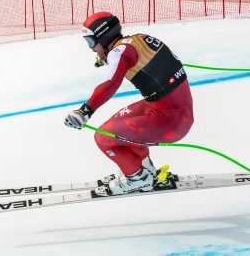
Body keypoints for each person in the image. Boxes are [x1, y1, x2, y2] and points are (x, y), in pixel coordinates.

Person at [64, 11, 194, 195]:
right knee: (112, 128)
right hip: (168, 112)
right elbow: (135, 58)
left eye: (91, 42)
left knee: (103, 138)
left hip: (170, 122)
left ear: (103, 36)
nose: (92, 49)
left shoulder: (120, 53)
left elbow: (110, 84)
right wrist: (109, 58)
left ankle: (138, 179)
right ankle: (142, 169)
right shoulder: (138, 39)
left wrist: (85, 111)